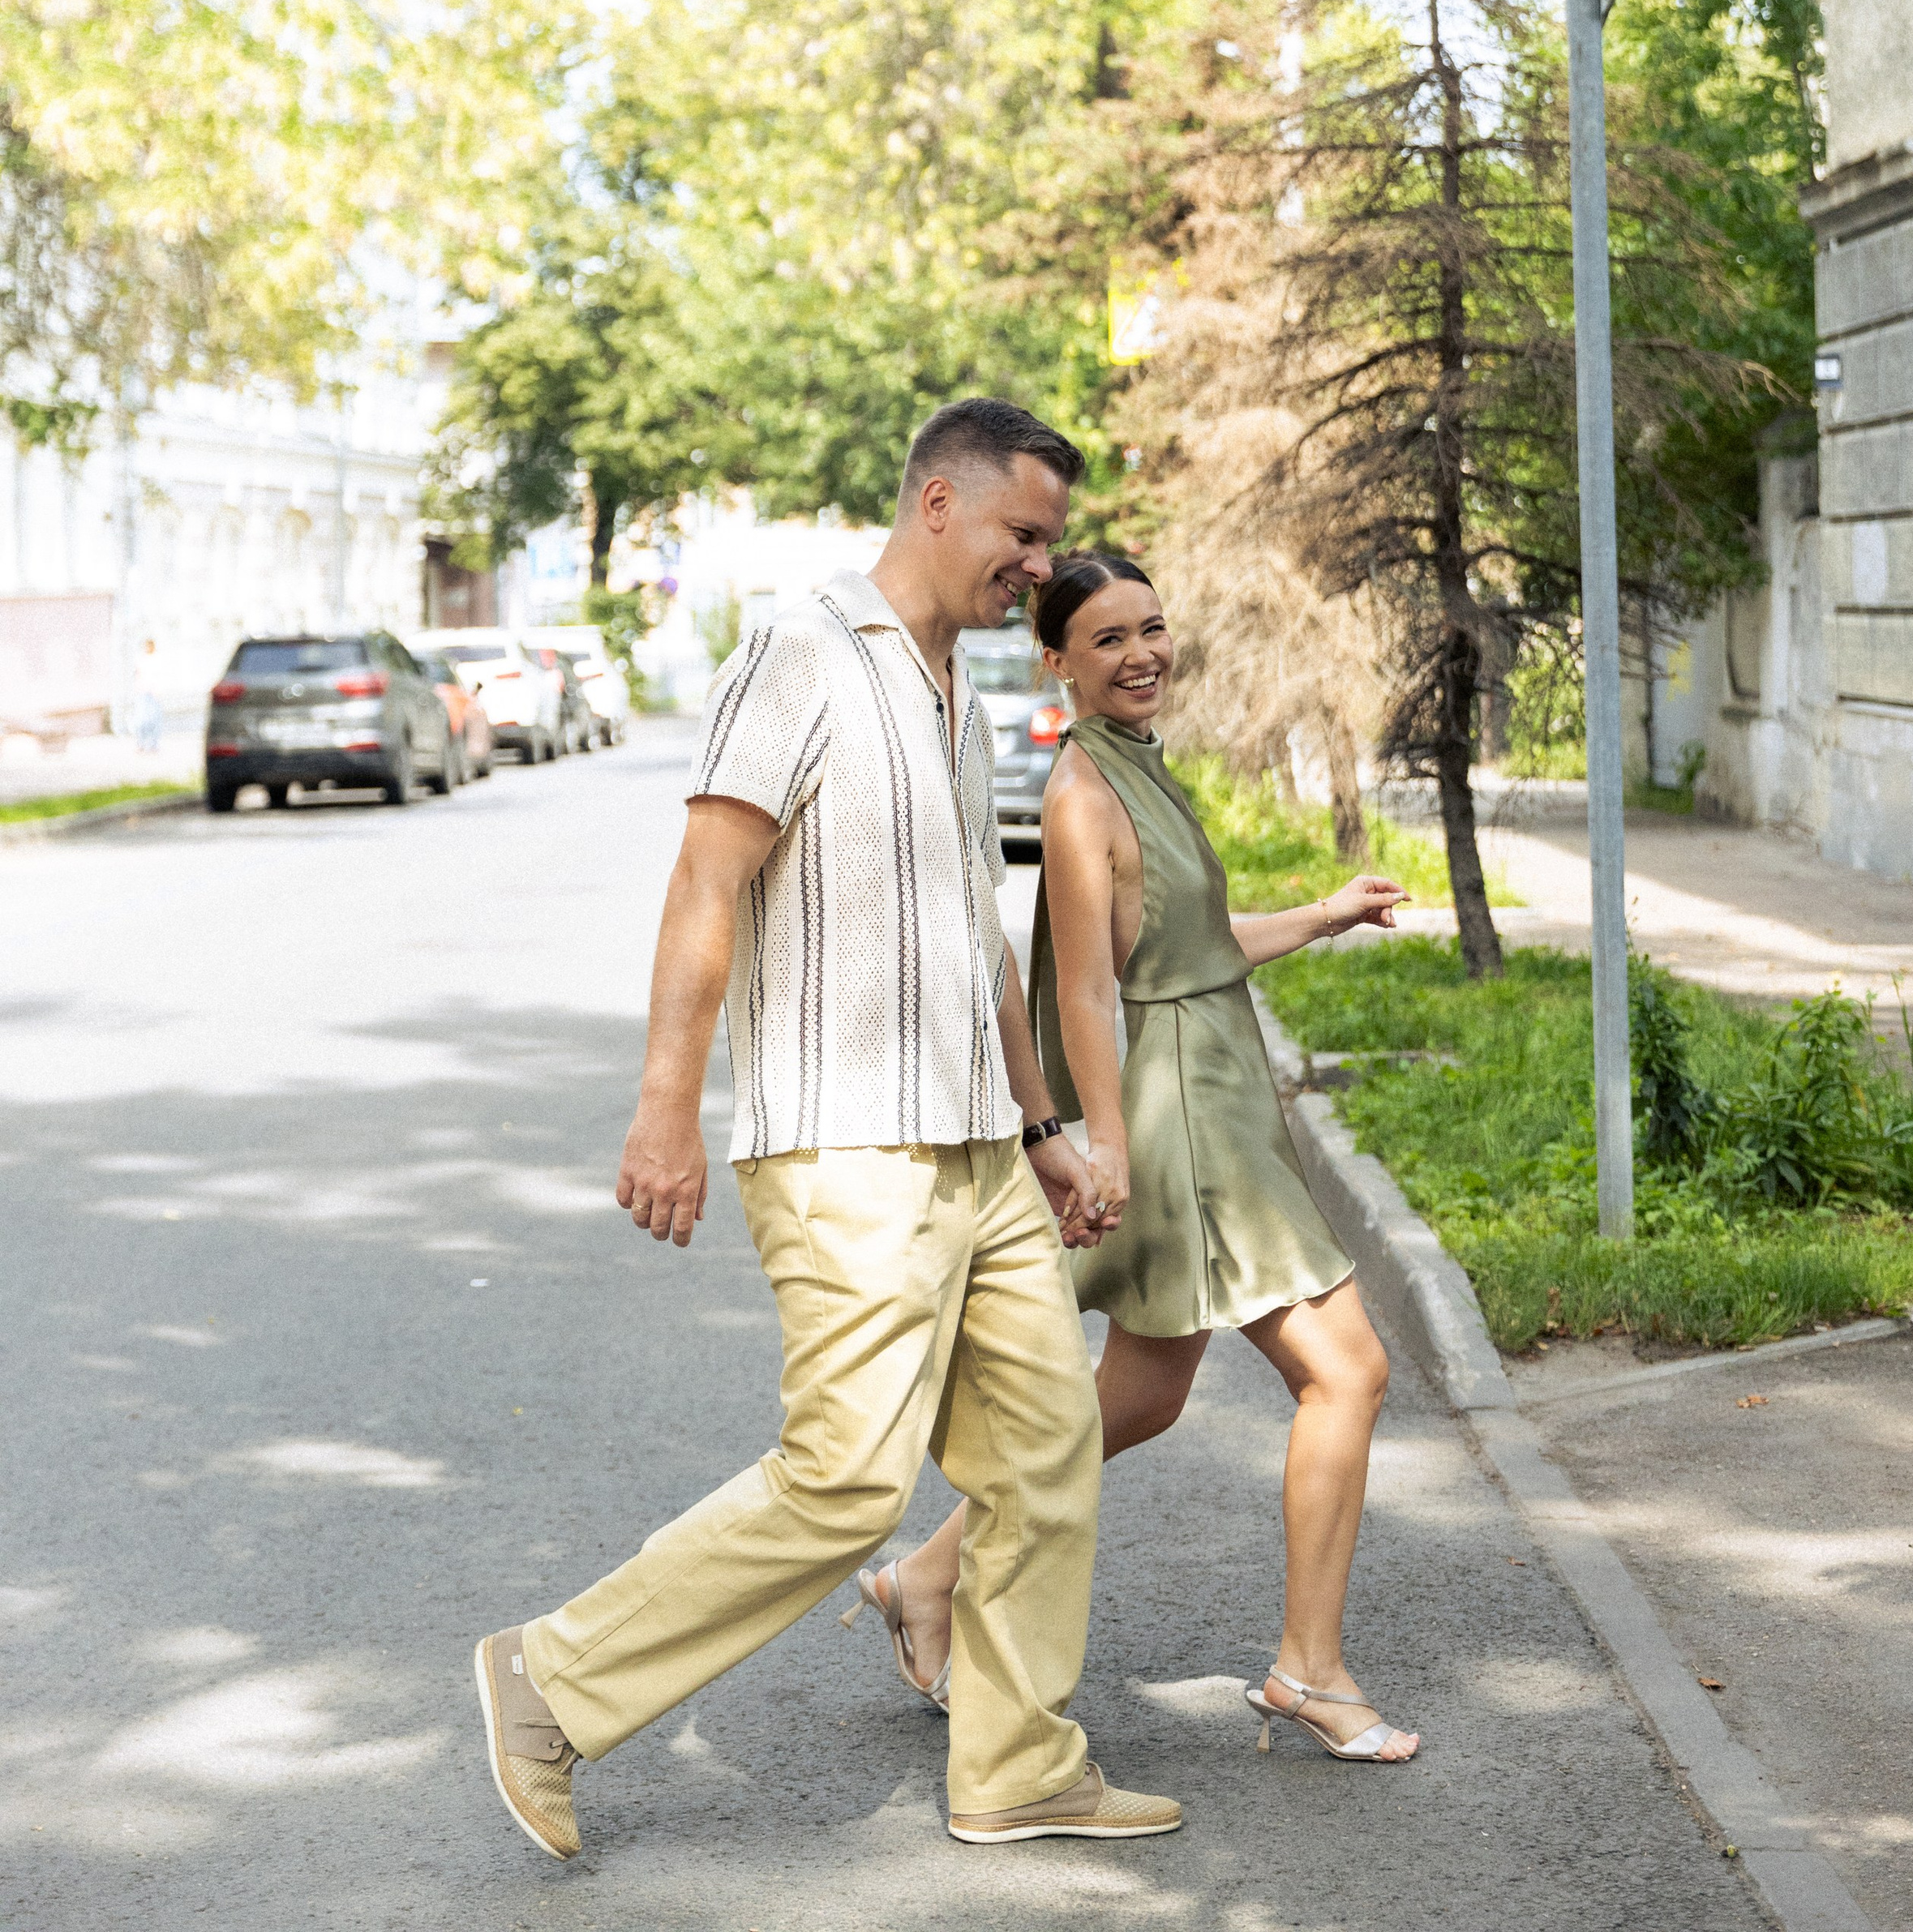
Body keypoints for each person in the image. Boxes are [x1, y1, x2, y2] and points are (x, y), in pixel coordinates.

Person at [473, 404, 1183, 1862]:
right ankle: (551, 1682)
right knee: (849, 1477)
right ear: (939, 503)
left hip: (978, 1146)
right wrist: (667, 1105)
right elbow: (703, 882)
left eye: (1049, 543)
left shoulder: (955, 693)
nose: (1036, 572)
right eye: (1022, 538)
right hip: (846, 1143)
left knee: (1046, 1450)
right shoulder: (803, 651)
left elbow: (974, 934)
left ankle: (1017, 1766)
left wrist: (1040, 1119)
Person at [855, 553, 1421, 1767]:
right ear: (1055, 661)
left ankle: (926, 1577)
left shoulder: (1138, 770)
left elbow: (1193, 947)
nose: (1142, 655)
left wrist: (1324, 914)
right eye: (1106, 641)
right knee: (1348, 1368)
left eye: (1153, 629)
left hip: (1212, 1096)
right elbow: (1085, 991)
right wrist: (1098, 1145)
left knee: (1147, 1395)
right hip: (1178, 1124)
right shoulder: (1080, 795)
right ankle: (1310, 1671)